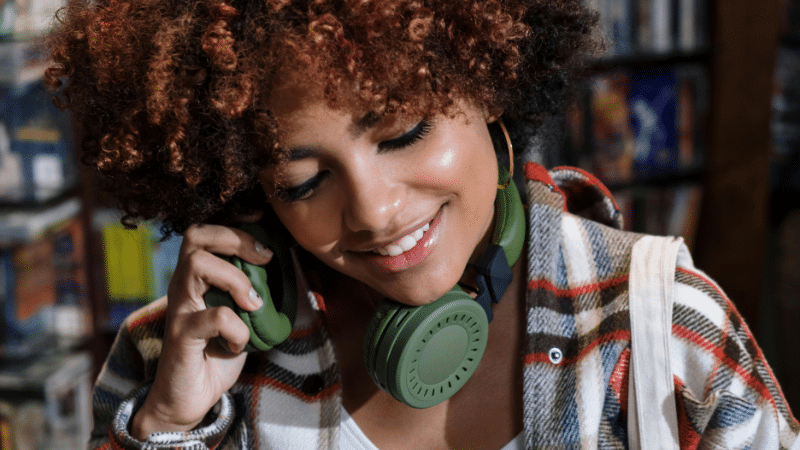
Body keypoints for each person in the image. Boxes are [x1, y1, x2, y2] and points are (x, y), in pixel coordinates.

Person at [46, 0, 799, 448]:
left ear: (491, 87)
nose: (374, 213)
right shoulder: (176, 366)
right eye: (304, 180)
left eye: (403, 133)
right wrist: (176, 423)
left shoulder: (666, 327)